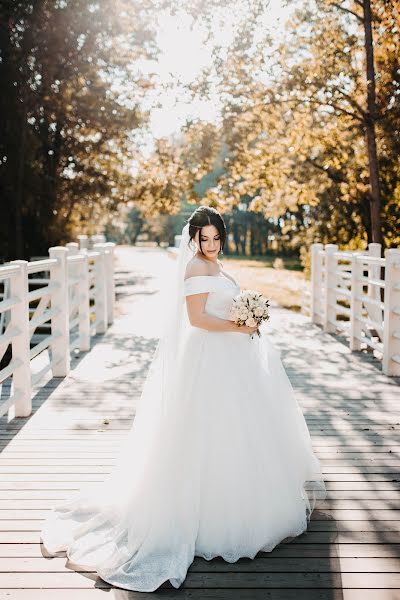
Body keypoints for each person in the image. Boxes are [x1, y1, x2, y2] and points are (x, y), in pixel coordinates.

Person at [40, 206, 326, 592]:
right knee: (209, 430)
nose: (210, 245)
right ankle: (209, 518)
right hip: (209, 355)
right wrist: (240, 325)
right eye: (203, 238)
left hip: (234, 354)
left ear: (222, 237)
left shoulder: (218, 267)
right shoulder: (194, 269)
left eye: (215, 238)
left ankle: (250, 505)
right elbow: (197, 319)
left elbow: (221, 307)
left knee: (242, 431)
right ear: (194, 238)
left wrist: (247, 323)